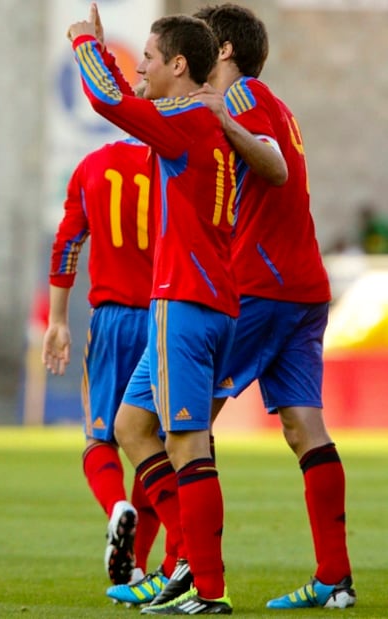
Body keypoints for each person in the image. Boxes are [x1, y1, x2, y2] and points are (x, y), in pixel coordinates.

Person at [67, 4, 239, 615]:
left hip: (186, 304)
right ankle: (186, 561)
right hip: (204, 299)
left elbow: (108, 103)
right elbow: (135, 103)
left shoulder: (189, 118)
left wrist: (86, 42)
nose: (138, 66)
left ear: (178, 65)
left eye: (146, 58)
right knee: (132, 428)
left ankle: (207, 587)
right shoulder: (205, 121)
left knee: (189, 444)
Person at [188, 4, 355, 611]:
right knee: (302, 425)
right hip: (303, 285)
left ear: (225, 50)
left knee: (185, 422)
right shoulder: (276, 103)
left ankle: (190, 575)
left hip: (264, 285)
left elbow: (272, 167)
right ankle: (335, 578)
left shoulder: (241, 101)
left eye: (206, 45)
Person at [41, 135, 169, 588]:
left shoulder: (92, 164)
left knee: (100, 439)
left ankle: (117, 508)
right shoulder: (172, 156)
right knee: (159, 446)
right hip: (165, 318)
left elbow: (67, 242)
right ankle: (138, 562)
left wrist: (58, 320)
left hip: (111, 321)